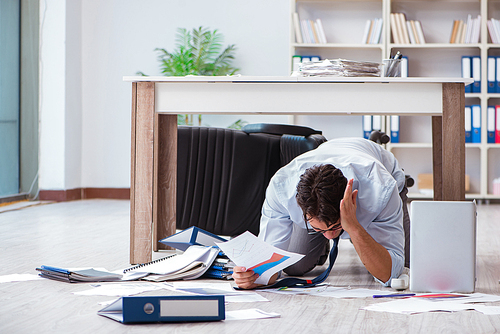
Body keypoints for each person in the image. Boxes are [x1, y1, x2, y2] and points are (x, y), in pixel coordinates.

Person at [232, 137, 410, 289]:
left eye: (335, 226)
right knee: (295, 267)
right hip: (324, 171)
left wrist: (354, 227)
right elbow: (267, 263)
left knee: (408, 267)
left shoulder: (383, 189)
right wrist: (252, 278)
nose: (329, 236)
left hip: (380, 170)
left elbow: (390, 273)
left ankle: (339, 228)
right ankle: (322, 235)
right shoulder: (280, 189)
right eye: (319, 229)